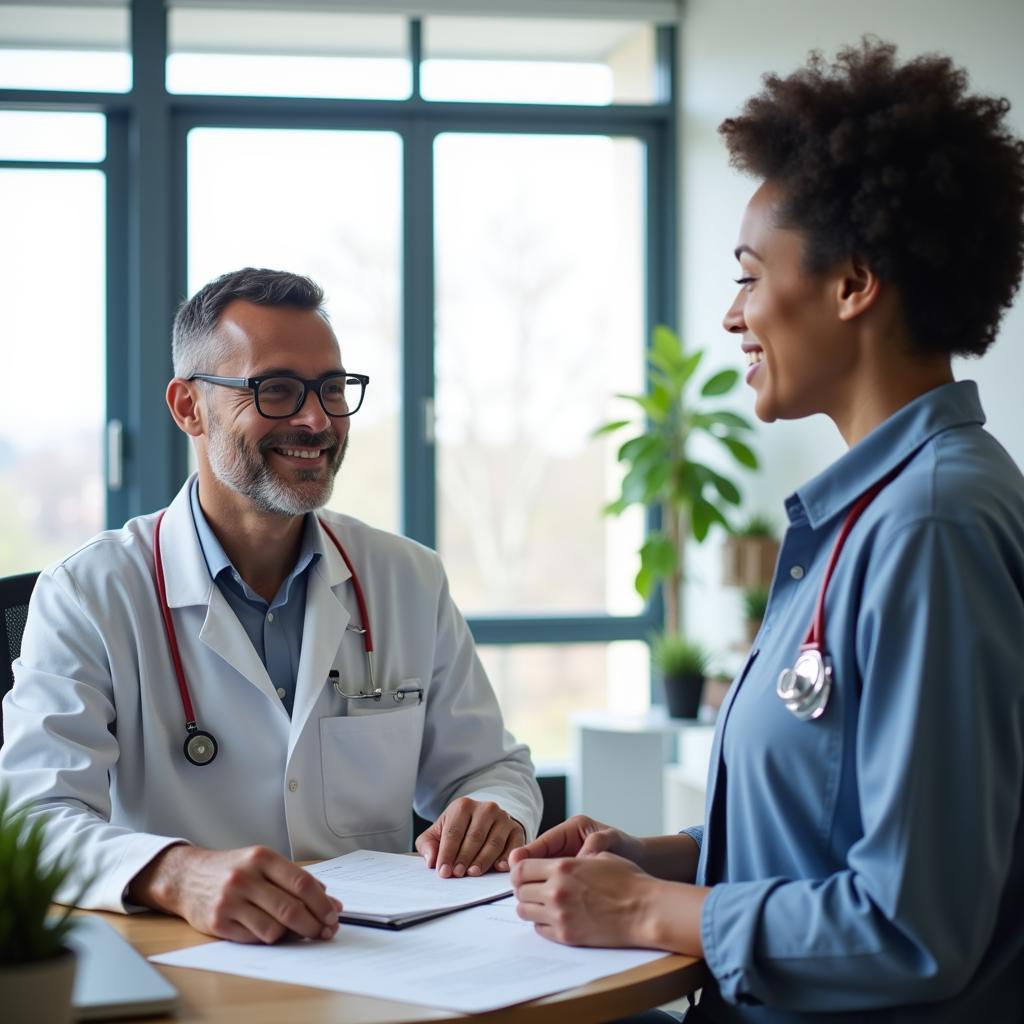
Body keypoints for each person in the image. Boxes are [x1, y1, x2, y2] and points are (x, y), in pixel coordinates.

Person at [509, 38, 1024, 1022]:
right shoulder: (874, 513)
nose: (732, 315)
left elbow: (914, 926)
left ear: (851, 284)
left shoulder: (930, 525)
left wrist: (657, 910)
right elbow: (836, 835)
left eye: (750, 276)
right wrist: (655, 860)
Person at [0, 267, 541, 945]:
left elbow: (490, 766)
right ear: (188, 408)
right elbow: (34, 817)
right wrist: (173, 873)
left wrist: (492, 807)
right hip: (190, 967)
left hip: (376, 962)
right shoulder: (90, 592)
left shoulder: (407, 578)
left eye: (332, 390)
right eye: (276, 391)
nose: (316, 420)